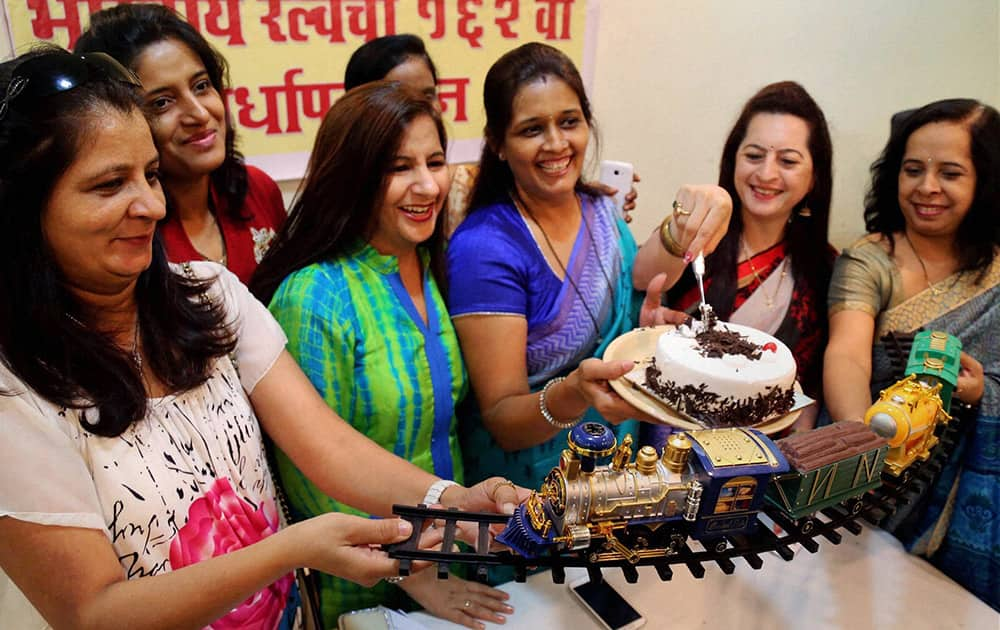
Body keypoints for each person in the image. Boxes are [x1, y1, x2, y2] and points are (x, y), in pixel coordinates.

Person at [0, 48, 524, 629]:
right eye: (108, 185)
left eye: (150, 174)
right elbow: (90, 614)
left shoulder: (208, 293)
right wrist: (291, 548)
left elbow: (328, 447)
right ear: (22, 210)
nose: (150, 205)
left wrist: (449, 501)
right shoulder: (13, 392)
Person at [251, 82, 511, 629]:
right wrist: (412, 573)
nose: (427, 184)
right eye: (399, 167)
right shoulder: (315, 296)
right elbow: (311, 473)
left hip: (453, 555)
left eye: (435, 161)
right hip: (364, 573)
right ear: (355, 177)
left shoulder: (426, 262)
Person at [445, 42, 732, 491]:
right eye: (531, 129)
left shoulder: (598, 209)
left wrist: (695, 214)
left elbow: (641, 281)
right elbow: (503, 419)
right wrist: (576, 393)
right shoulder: (485, 248)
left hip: (615, 466)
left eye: (569, 122)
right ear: (498, 143)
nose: (557, 143)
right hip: (527, 491)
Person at [823, 98, 998, 610]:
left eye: (950, 173)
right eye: (913, 169)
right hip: (875, 488)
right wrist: (862, 441)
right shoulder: (871, 258)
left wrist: (982, 391)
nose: (926, 187)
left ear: (984, 181)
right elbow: (848, 354)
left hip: (970, 493)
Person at [645, 81, 835, 450]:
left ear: (814, 176)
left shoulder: (824, 270)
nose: (766, 174)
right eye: (754, 155)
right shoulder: (697, 232)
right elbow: (642, 277)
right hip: (664, 444)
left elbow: (807, 392)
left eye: (788, 161)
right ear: (733, 159)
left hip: (760, 461)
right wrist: (681, 222)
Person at [343, 34, 638, 236]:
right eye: (400, 96)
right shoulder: (344, 213)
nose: (420, 110)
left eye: (428, 95)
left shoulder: (462, 185)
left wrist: (576, 203)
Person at [74, 4, 286, 284]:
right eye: (162, 102)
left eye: (201, 86)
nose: (199, 113)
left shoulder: (257, 190)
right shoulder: (127, 230)